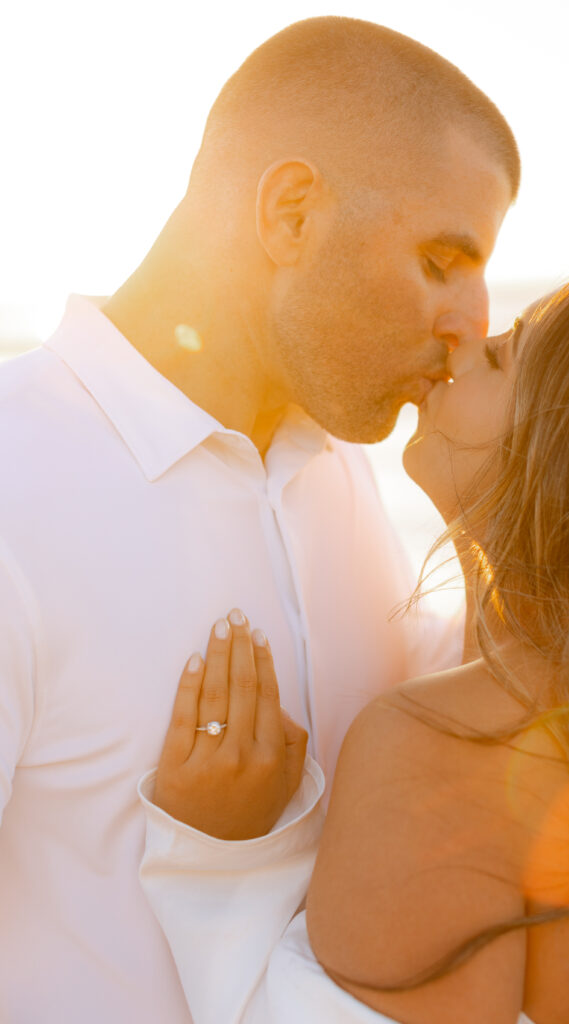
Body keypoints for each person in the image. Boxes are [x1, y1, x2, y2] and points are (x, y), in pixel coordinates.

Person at [0, 17, 520, 1024]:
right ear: (289, 213)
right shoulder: (14, 475)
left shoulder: (342, 476)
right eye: (441, 259)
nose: (471, 318)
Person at [140, 263, 569, 1024]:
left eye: (499, 356)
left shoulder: (446, 745)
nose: (462, 342)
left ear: (563, 453)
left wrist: (223, 859)